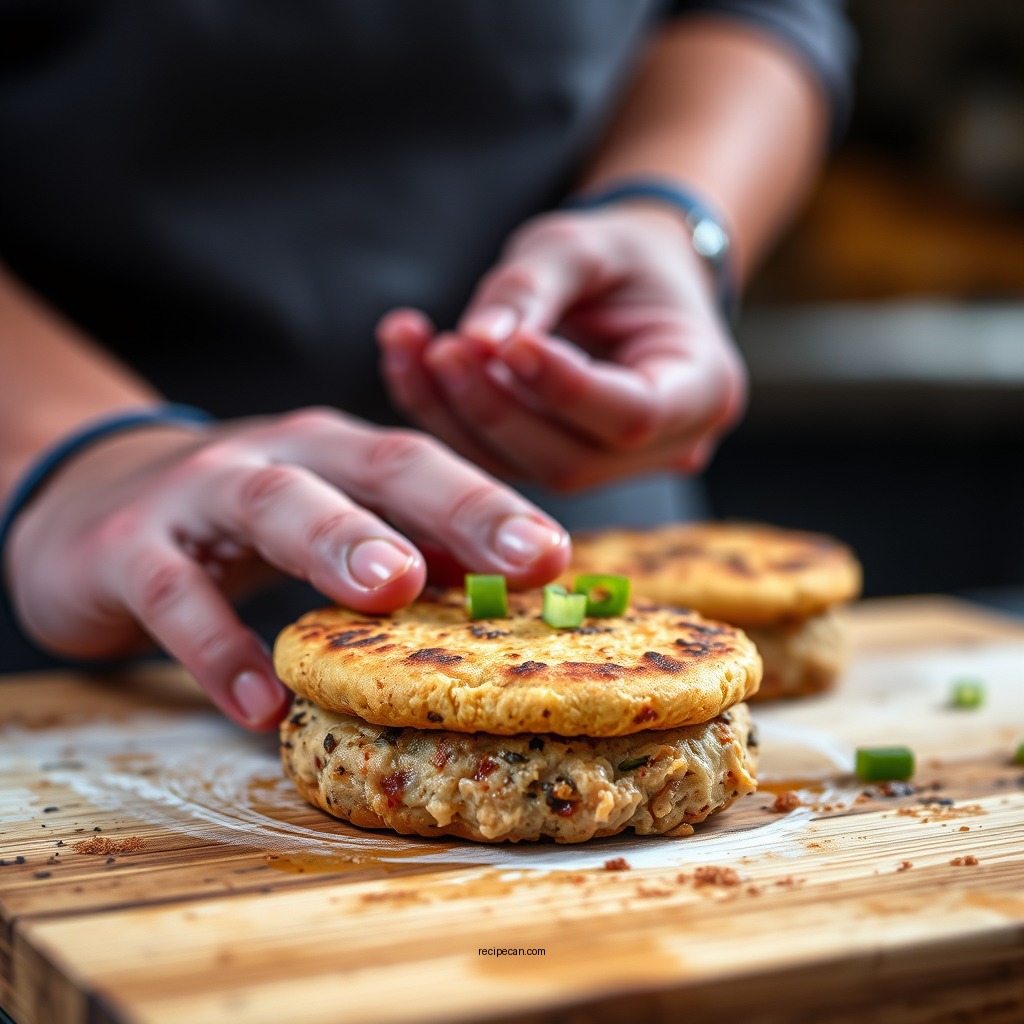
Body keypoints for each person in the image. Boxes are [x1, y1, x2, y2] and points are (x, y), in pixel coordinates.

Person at [0, 2, 854, 729]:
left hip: (581, 537)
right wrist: (66, 448)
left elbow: (751, 10)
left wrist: (666, 216)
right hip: (65, 555)